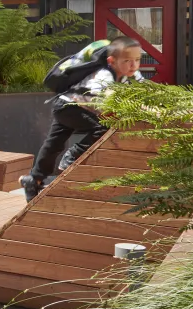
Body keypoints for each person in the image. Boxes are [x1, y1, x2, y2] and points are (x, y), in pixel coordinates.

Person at [20, 36, 144, 202]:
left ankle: (33, 179)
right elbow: (102, 98)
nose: (133, 65)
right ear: (112, 61)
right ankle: (73, 155)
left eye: (137, 60)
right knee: (103, 128)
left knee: (54, 144)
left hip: (67, 105)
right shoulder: (104, 75)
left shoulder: (133, 76)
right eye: (127, 60)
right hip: (69, 108)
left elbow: (145, 90)